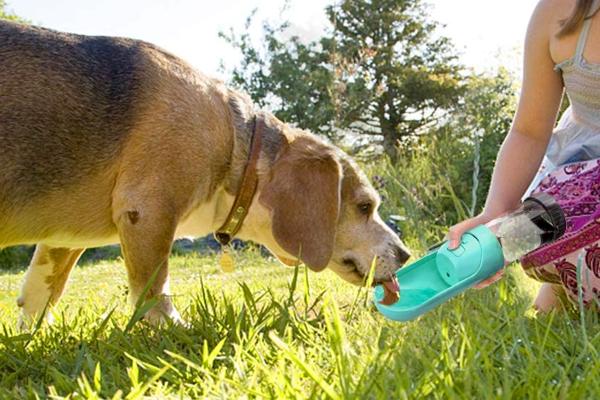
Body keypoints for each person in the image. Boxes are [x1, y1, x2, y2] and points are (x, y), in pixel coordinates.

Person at [448, 0, 600, 312]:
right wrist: (495, 215)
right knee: (525, 232)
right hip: (580, 188)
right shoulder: (558, 12)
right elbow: (529, 131)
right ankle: (563, 286)